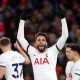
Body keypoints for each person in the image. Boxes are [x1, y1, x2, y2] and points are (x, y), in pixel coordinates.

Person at [17, 1, 68, 80]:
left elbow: (65, 36)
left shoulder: (53, 50)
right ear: (35, 42)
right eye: (39, 40)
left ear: (46, 43)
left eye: (43, 40)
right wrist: (22, 20)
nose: (41, 41)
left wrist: (63, 19)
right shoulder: (32, 51)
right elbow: (20, 37)